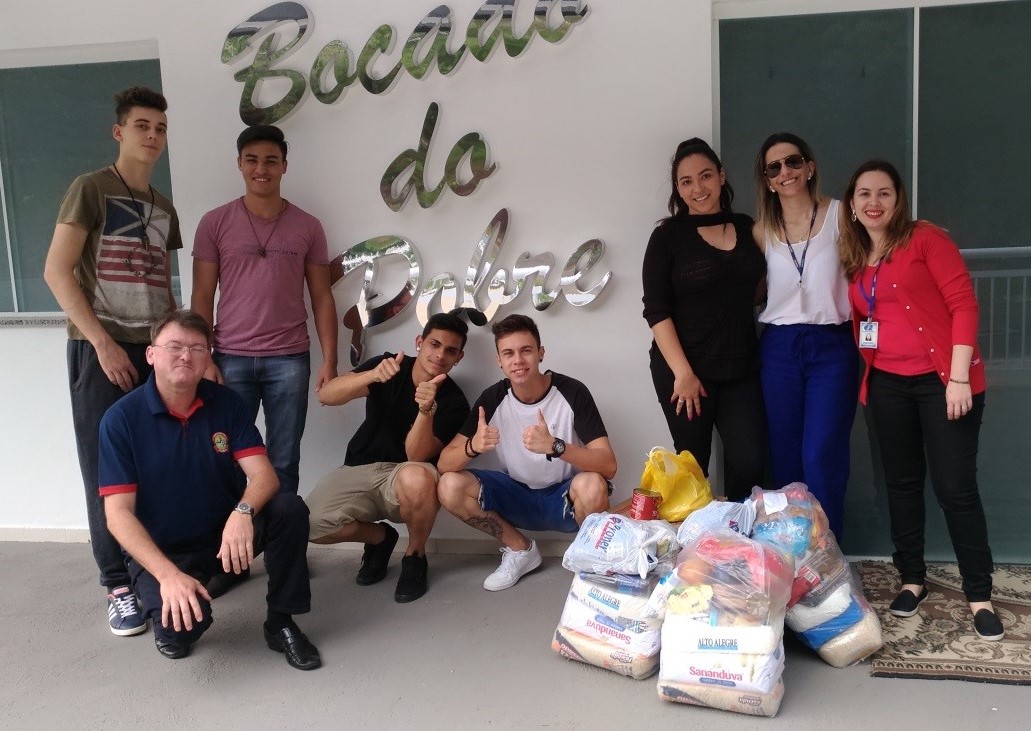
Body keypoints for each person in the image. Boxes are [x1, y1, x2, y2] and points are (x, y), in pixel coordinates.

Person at [98, 310, 321, 668]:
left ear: (208, 359)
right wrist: (168, 575)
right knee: (180, 633)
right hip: (165, 551)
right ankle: (157, 592)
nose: (186, 356)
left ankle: (281, 621)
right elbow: (117, 516)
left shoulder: (226, 403)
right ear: (151, 354)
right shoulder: (121, 419)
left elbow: (265, 476)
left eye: (197, 348)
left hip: (222, 536)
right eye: (174, 347)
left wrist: (242, 512)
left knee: (289, 509)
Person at [840, 159, 1004, 641]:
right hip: (888, 385)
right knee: (901, 485)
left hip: (943, 383)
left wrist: (958, 378)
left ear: (899, 200)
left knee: (956, 489)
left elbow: (963, 304)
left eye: (884, 193)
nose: (874, 202)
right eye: (864, 194)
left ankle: (979, 594)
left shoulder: (926, 240)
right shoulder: (855, 257)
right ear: (852, 204)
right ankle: (912, 579)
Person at [43, 86, 181, 636]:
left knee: (157, 463)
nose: (152, 136)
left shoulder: (164, 208)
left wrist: (177, 348)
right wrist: (101, 343)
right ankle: (117, 585)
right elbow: (57, 271)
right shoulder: (91, 189)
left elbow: (161, 286)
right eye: (142, 126)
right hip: (99, 349)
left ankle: (152, 568)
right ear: (119, 131)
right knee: (105, 471)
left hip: (152, 352)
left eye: (160, 128)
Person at [191, 124, 338, 595]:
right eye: (252, 159)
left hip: (289, 360)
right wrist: (203, 357)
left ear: (284, 166)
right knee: (228, 462)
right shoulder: (215, 223)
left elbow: (322, 297)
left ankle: (282, 553)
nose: (261, 168)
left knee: (284, 460)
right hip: (229, 358)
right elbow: (201, 296)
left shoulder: (308, 226)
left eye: (271, 160)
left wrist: (330, 360)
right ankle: (231, 558)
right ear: (239, 164)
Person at [437, 314, 617, 591]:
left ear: (540, 353)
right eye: (508, 353)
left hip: (563, 501)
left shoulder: (572, 391)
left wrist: (556, 447)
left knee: (593, 484)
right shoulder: (492, 398)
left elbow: (608, 465)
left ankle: (591, 560)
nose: (518, 360)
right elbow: (444, 463)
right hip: (516, 497)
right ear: (499, 360)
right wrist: (473, 447)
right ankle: (520, 550)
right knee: (449, 485)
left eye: (526, 351)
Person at [306, 313, 470, 603]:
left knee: (416, 475)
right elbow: (327, 396)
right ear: (419, 342)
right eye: (434, 344)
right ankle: (380, 539)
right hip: (359, 466)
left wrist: (426, 410)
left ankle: (415, 556)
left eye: (450, 350)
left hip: (405, 477)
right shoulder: (389, 365)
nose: (440, 355)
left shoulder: (454, 401)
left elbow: (416, 455)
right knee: (310, 524)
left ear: (459, 357)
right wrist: (371, 375)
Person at [641, 138, 767, 501]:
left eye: (706, 175)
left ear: (721, 176)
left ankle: (737, 532)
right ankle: (698, 537)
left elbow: (757, 289)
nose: (698, 188)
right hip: (685, 370)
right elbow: (656, 310)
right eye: (687, 181)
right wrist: (683, 373)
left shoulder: (747, 227)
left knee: (750, 463)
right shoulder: (666, 237)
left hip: (740, 367)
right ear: (678, 188)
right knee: (693, 467)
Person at [752, 133, 858, 541]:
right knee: (785, 456)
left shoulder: (841, 214)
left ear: (810, 167)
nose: (785, 172)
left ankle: (829, 555)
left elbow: (876, 253)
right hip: (779, 347)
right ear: (767, 180)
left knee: (821, 454)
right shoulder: (761, 231)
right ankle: (792, 553)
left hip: (831, 345)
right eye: (774, 167)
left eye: (793, 162)